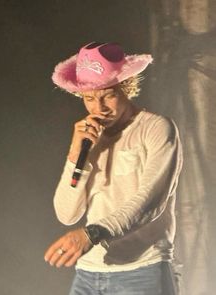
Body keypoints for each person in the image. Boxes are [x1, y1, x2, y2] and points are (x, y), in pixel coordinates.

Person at [44, 42, 183, 295]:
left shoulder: (156, 129)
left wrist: (91, 234)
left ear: (126, 87)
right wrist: (76, 154)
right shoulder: (91, 137)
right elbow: (66, 214)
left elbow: (150, 202)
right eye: (89, 98)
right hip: (88, 273)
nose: (99, 108)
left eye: (108, 95)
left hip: (142, 271)